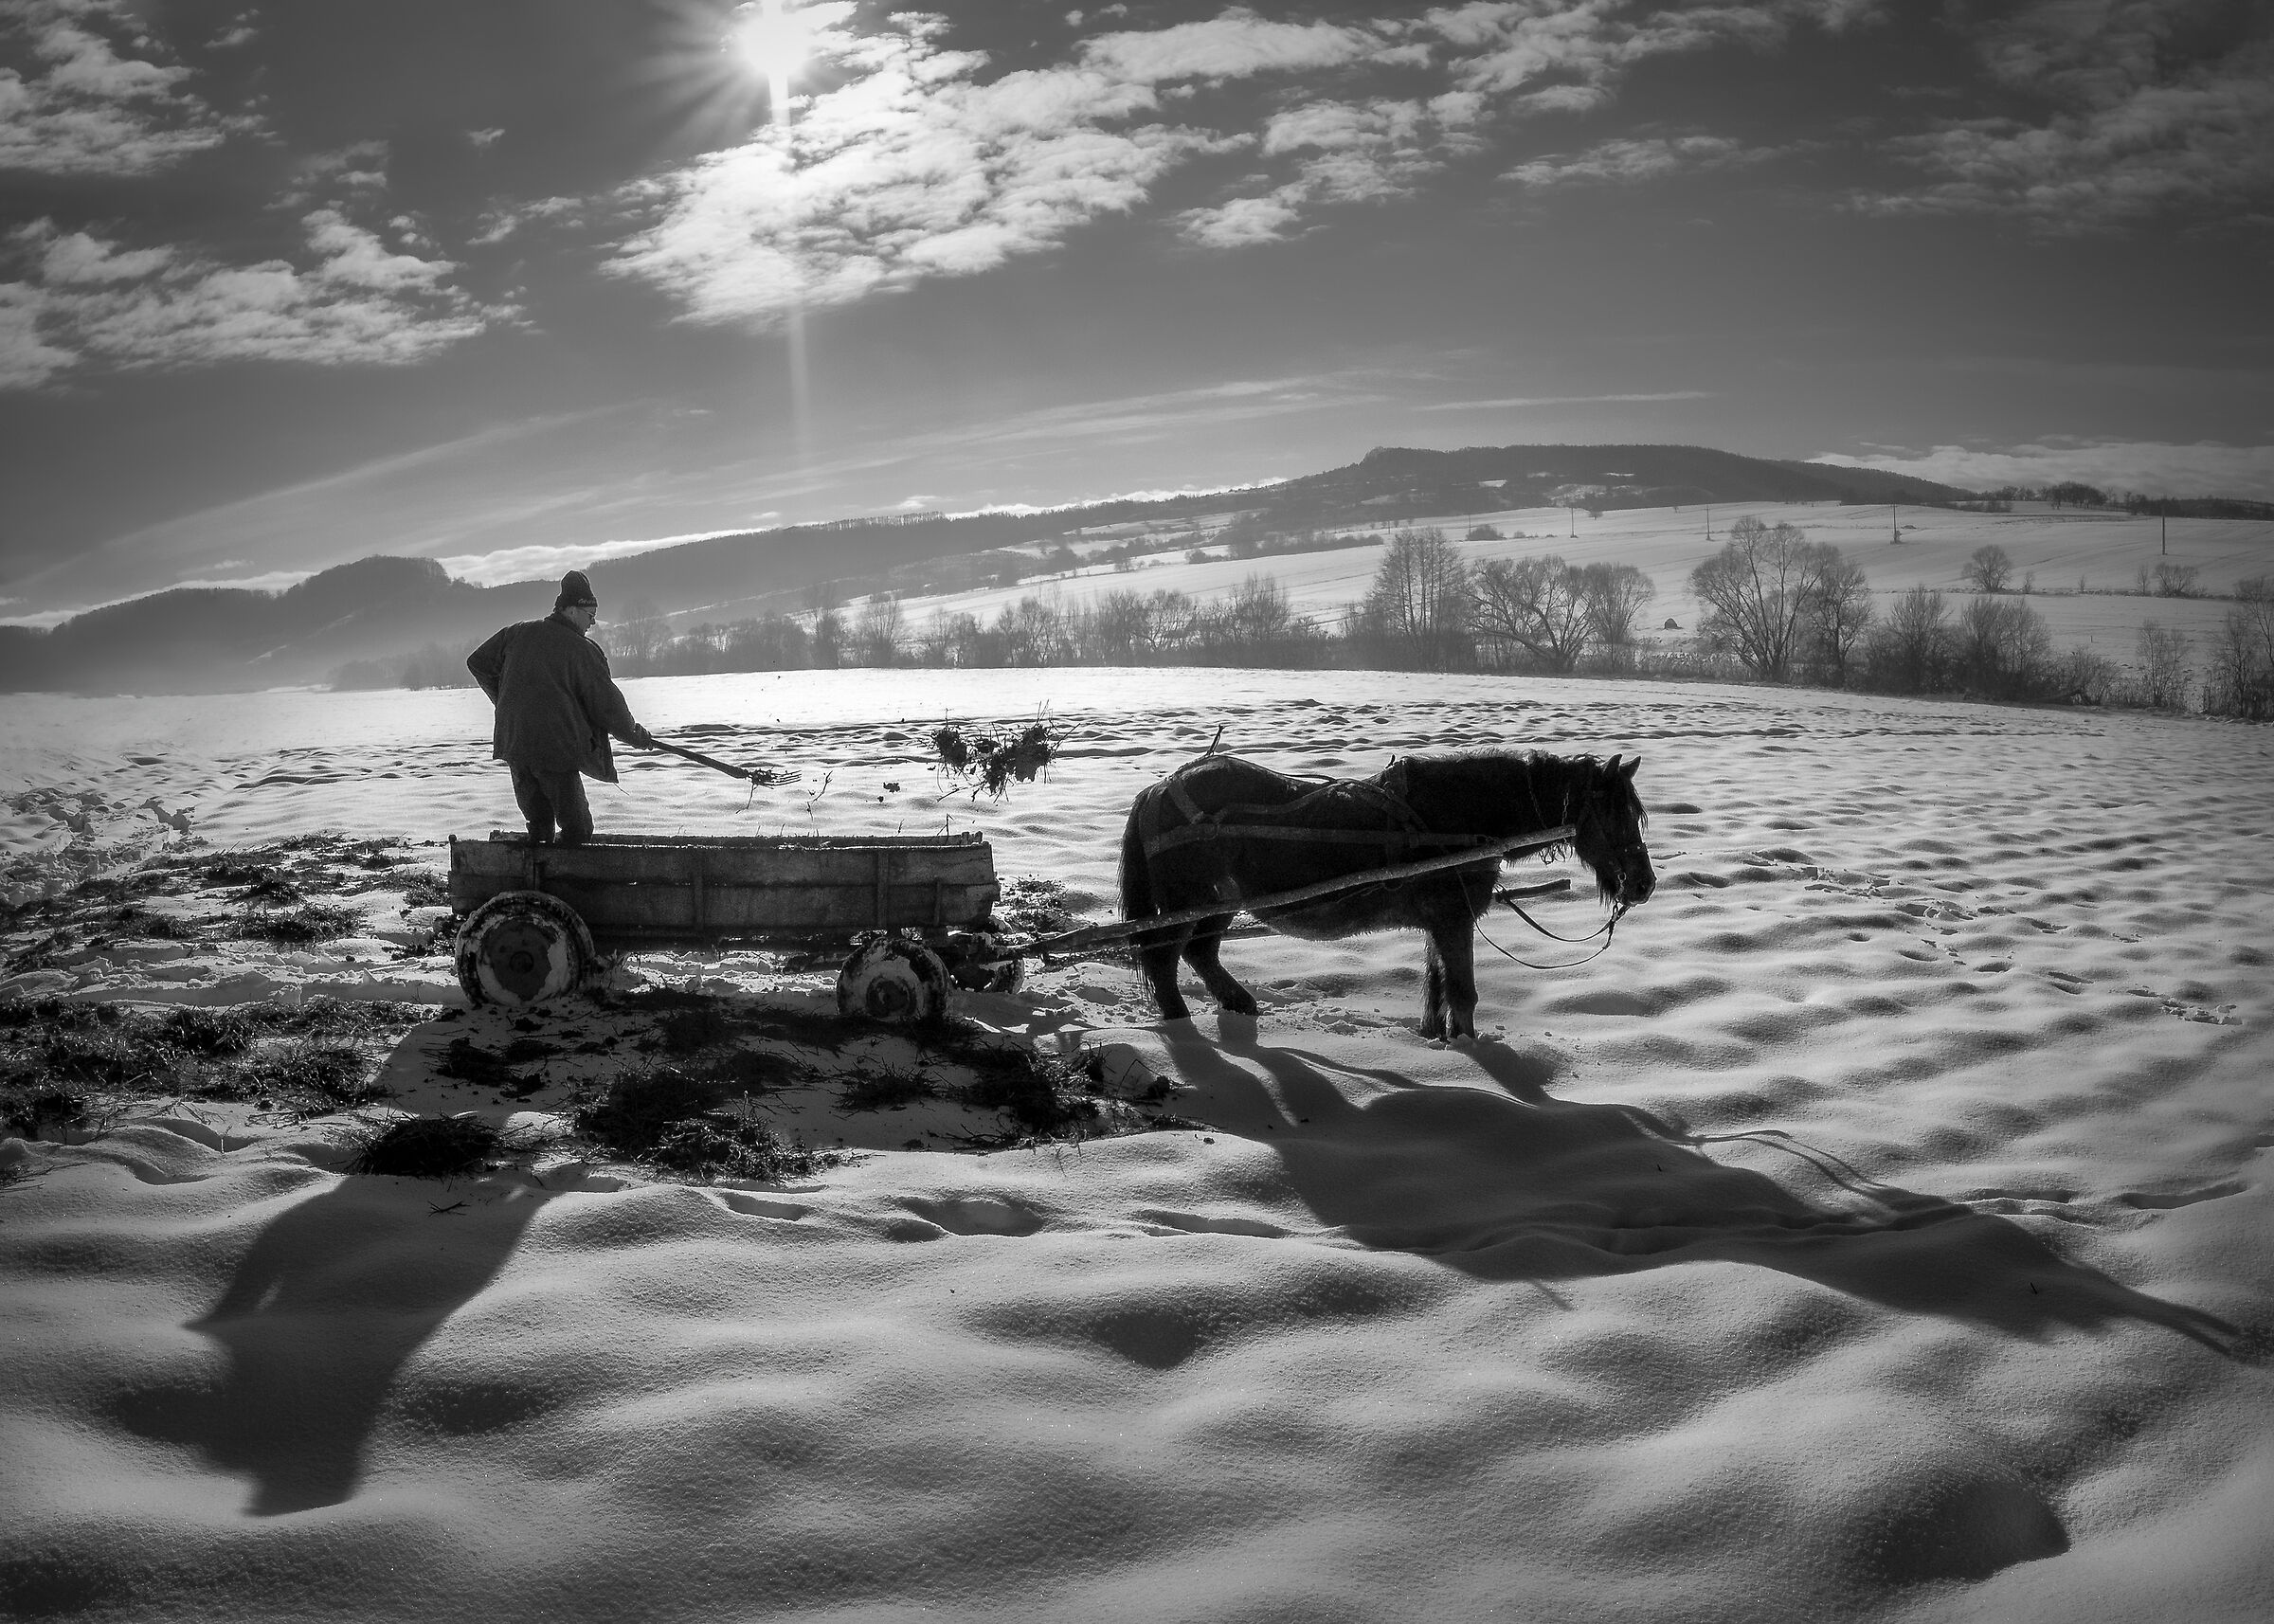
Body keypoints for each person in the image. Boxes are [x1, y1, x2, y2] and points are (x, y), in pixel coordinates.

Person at [466, 569, 655, 845]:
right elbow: (608, 706)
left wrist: (504, 700)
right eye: (590, 615)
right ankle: (569, 872)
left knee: (539, 826)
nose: (592, 622)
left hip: (516, 743)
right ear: (571, 610)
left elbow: (478, 662)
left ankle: (534, 868)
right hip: (554, 748)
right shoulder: (581, 650)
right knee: (578, 829)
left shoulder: (518, 633)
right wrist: (635, 735)